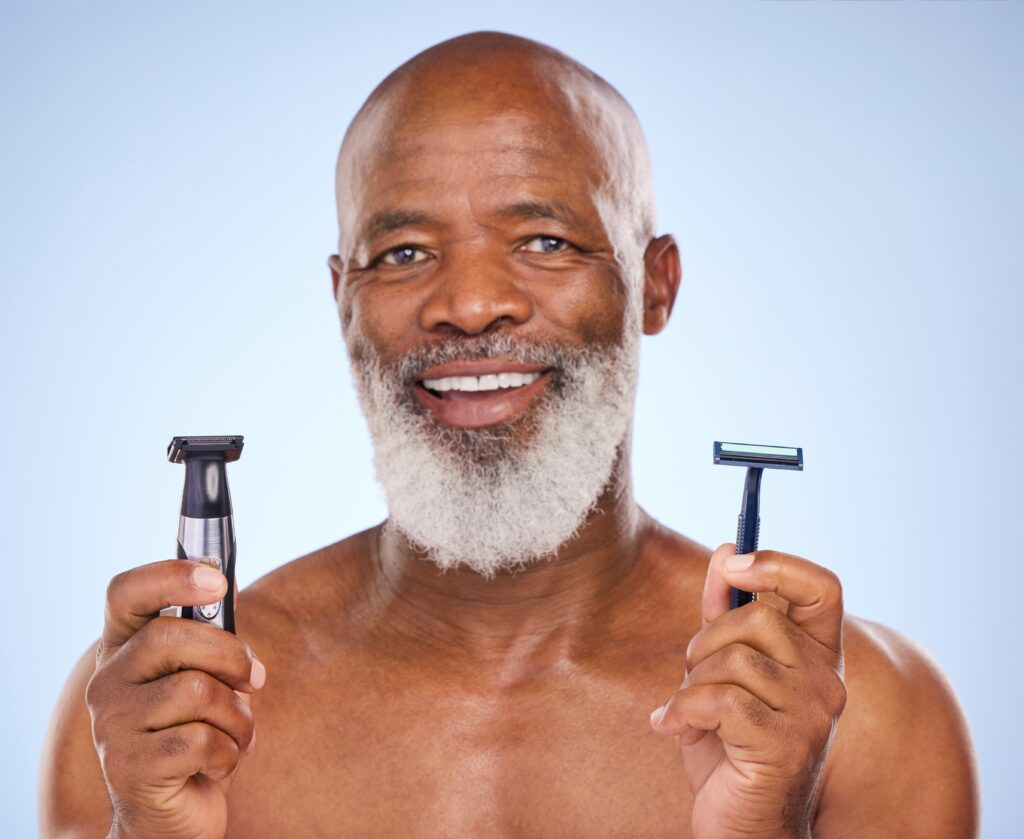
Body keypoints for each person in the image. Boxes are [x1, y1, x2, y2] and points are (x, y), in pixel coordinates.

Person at [40, 32, 979, 838]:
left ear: (656, 285)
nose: (469, 304)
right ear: (342, 302)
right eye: (403, 254)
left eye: (544, 241)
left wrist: (768, 824)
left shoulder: (866, 719)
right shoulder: (152, 715)